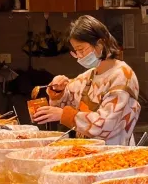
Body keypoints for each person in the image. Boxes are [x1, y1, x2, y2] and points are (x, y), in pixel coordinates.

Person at [34, 16, 142, 146]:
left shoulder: (122, 76)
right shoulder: (90, 75)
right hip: (88, 151)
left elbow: (105, 125)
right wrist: (58, 91)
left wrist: (64, 115)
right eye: (76, 51)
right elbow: (66, 100)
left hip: (114, 153)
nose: (79, 56)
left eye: (81, 50)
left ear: (100, 44)